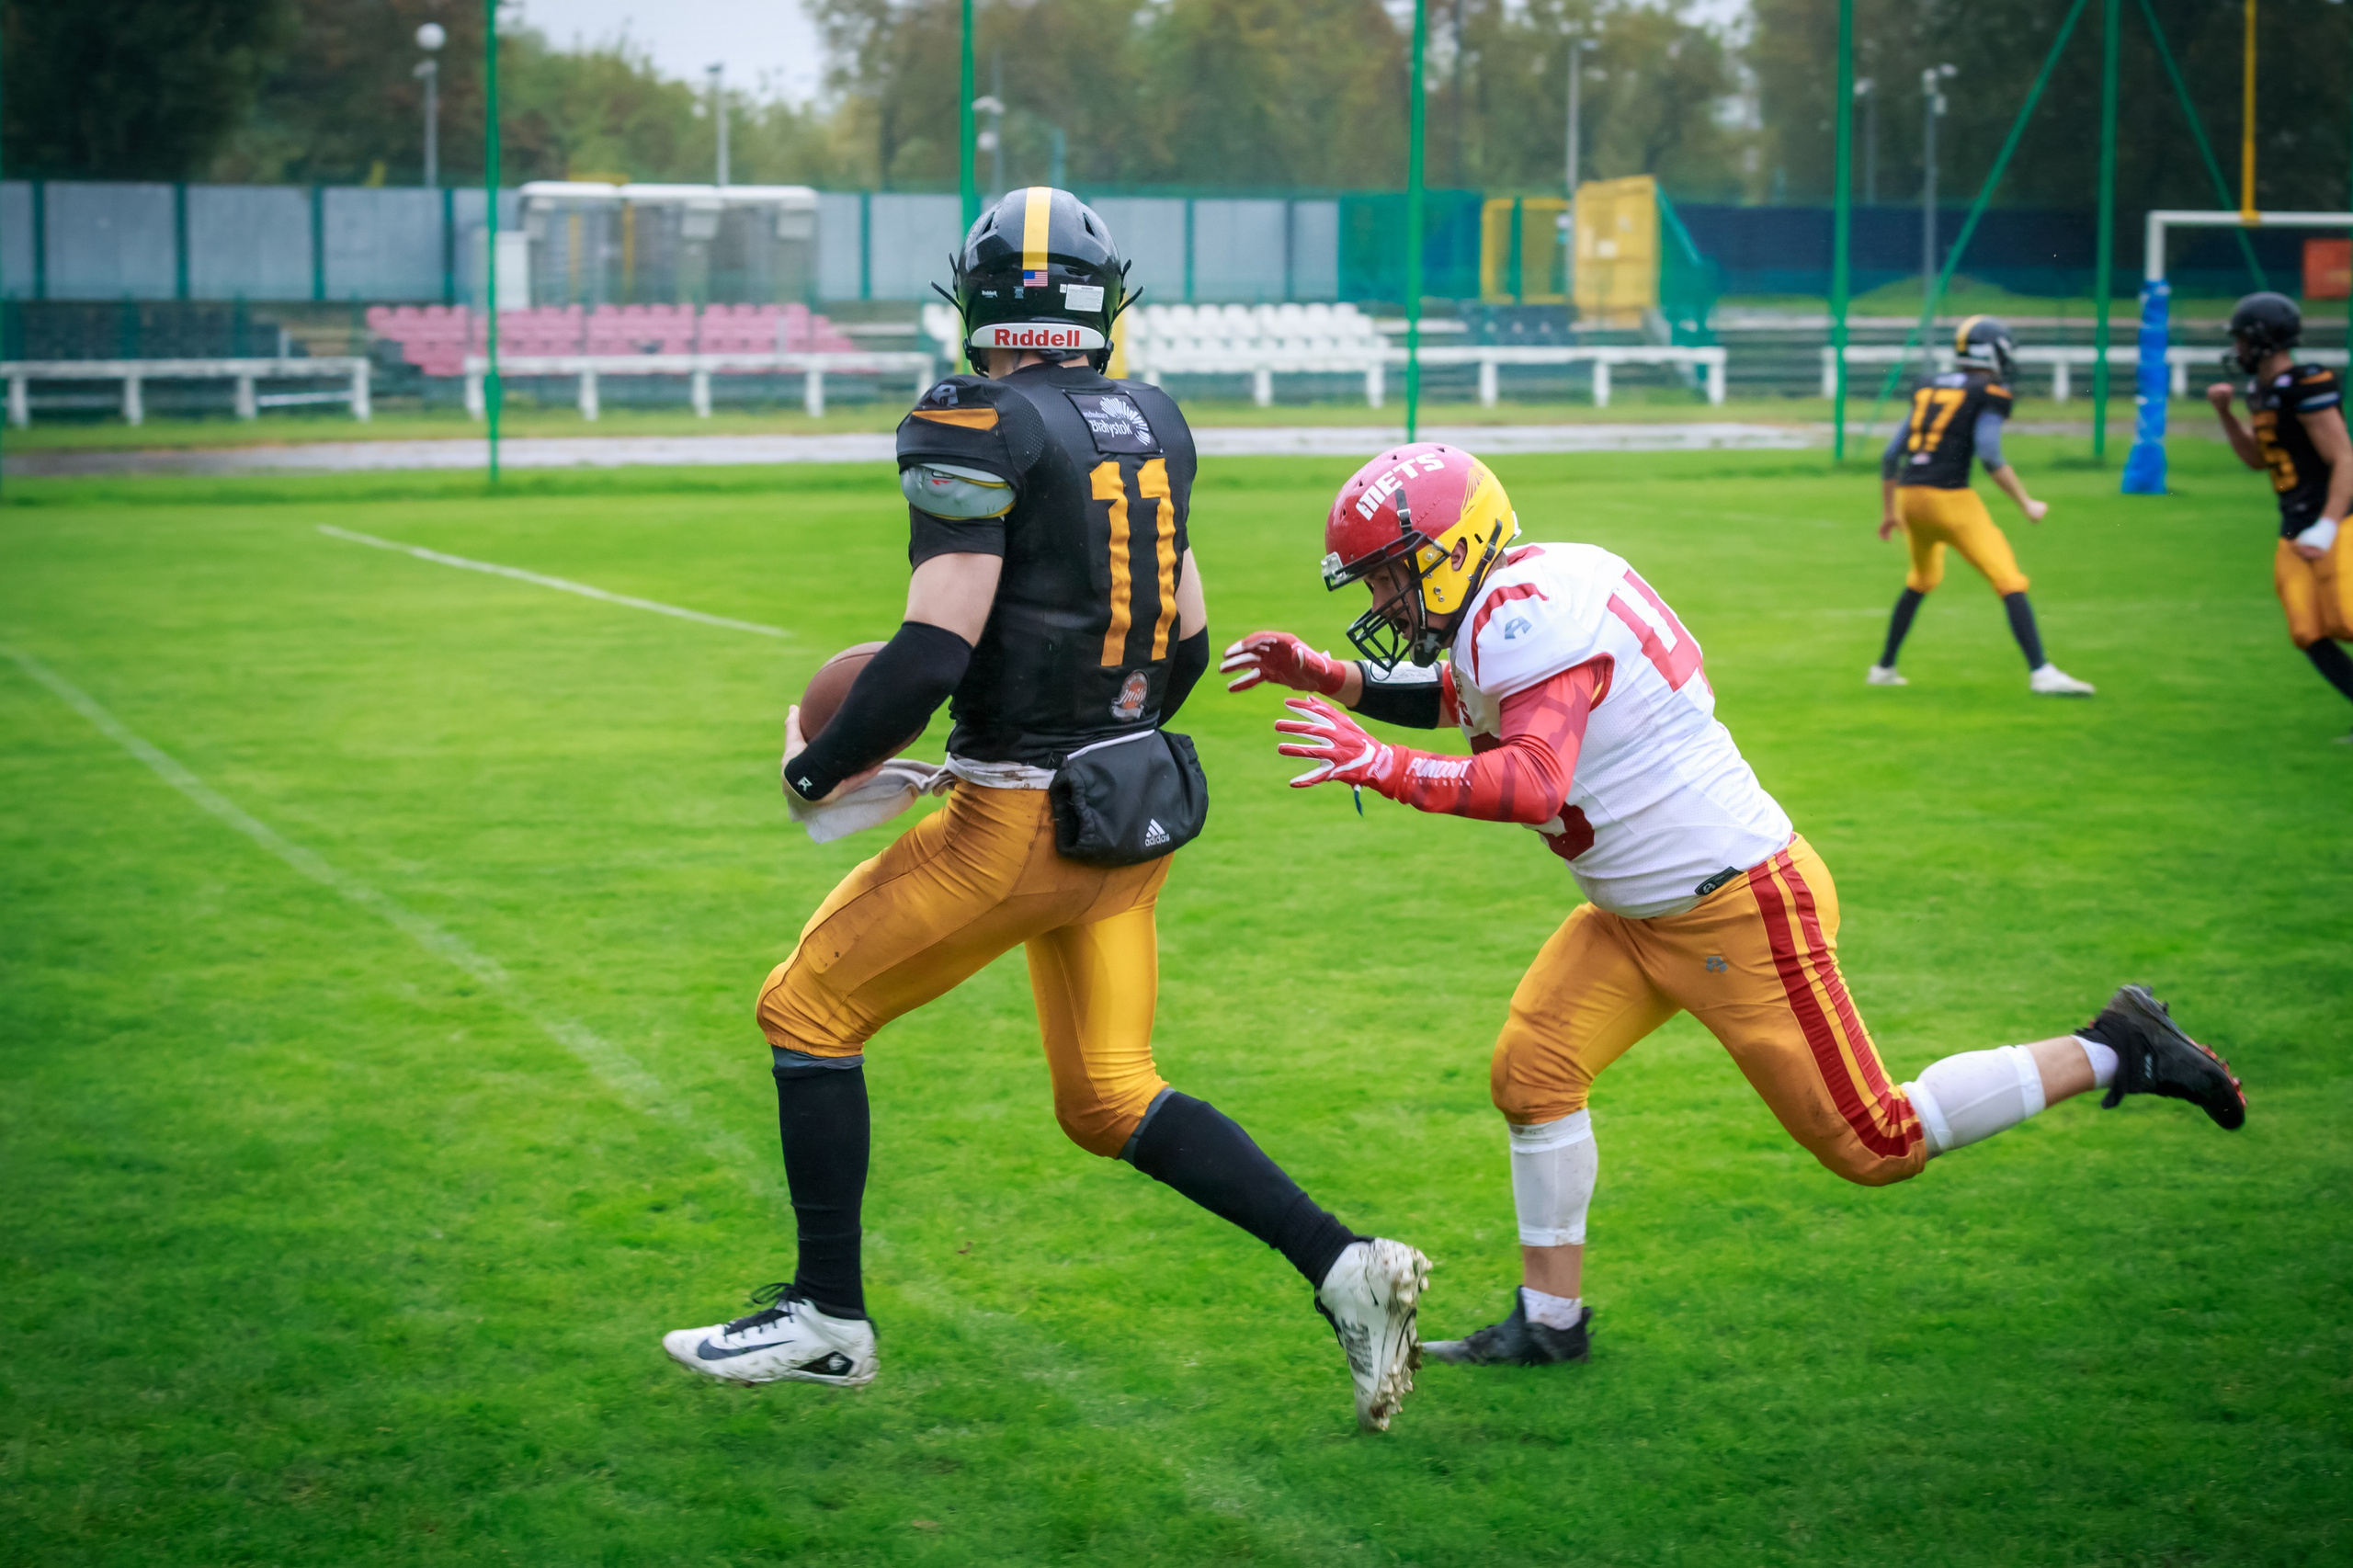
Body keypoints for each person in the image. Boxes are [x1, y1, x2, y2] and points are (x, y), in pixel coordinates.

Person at [660, 188, 1430, 1433]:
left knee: (805, 1006)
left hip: (1014, 822)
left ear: (981, 303)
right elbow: (1182, 643)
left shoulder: (972, 416)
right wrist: (1093, 715)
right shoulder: (1155, 420)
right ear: (1096, 304)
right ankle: (1349, 1268)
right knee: (1108, 1092)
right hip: (1124, 818)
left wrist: (815, 771)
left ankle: (826, 1318)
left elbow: (927, 655)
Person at [1222, 442, 2245, 1366]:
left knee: (1875, 1143)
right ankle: (1550, 1321)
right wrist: (1332, 675)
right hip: (1637, 911)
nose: (1387, 598)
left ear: (1456, 545)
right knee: (1532, 1071)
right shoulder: (1522, 596)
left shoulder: (1525, 610)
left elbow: (1530, 778)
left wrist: (1384, 764)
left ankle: (2119, 1043)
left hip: (1737, 907)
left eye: (1395, 573)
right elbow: (1471, 693)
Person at [1868, 316, 2095, 696]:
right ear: (1994, 350)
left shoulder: (1930, 384)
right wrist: (2026, 503)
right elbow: (1989, 454)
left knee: (1921, 579)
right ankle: (2041, 671)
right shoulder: (1988, 390)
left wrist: (1890, 512)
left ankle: (1884, 667)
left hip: (1911, 498)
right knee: (2008, 579)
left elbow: (1891, 456)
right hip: (1950, 498)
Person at [2203, 290, 2353, 741]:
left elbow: (2345, 458)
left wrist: (2329, 524)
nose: (2239, 350)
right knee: (2307, 629)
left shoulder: (2306, 383)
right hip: (2293, 525)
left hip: (2337, 522)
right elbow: (2257, 459)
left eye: (2243, 341)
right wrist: (2225, 415)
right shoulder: (2261, 391)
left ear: (2265, 339)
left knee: (2347, 618)